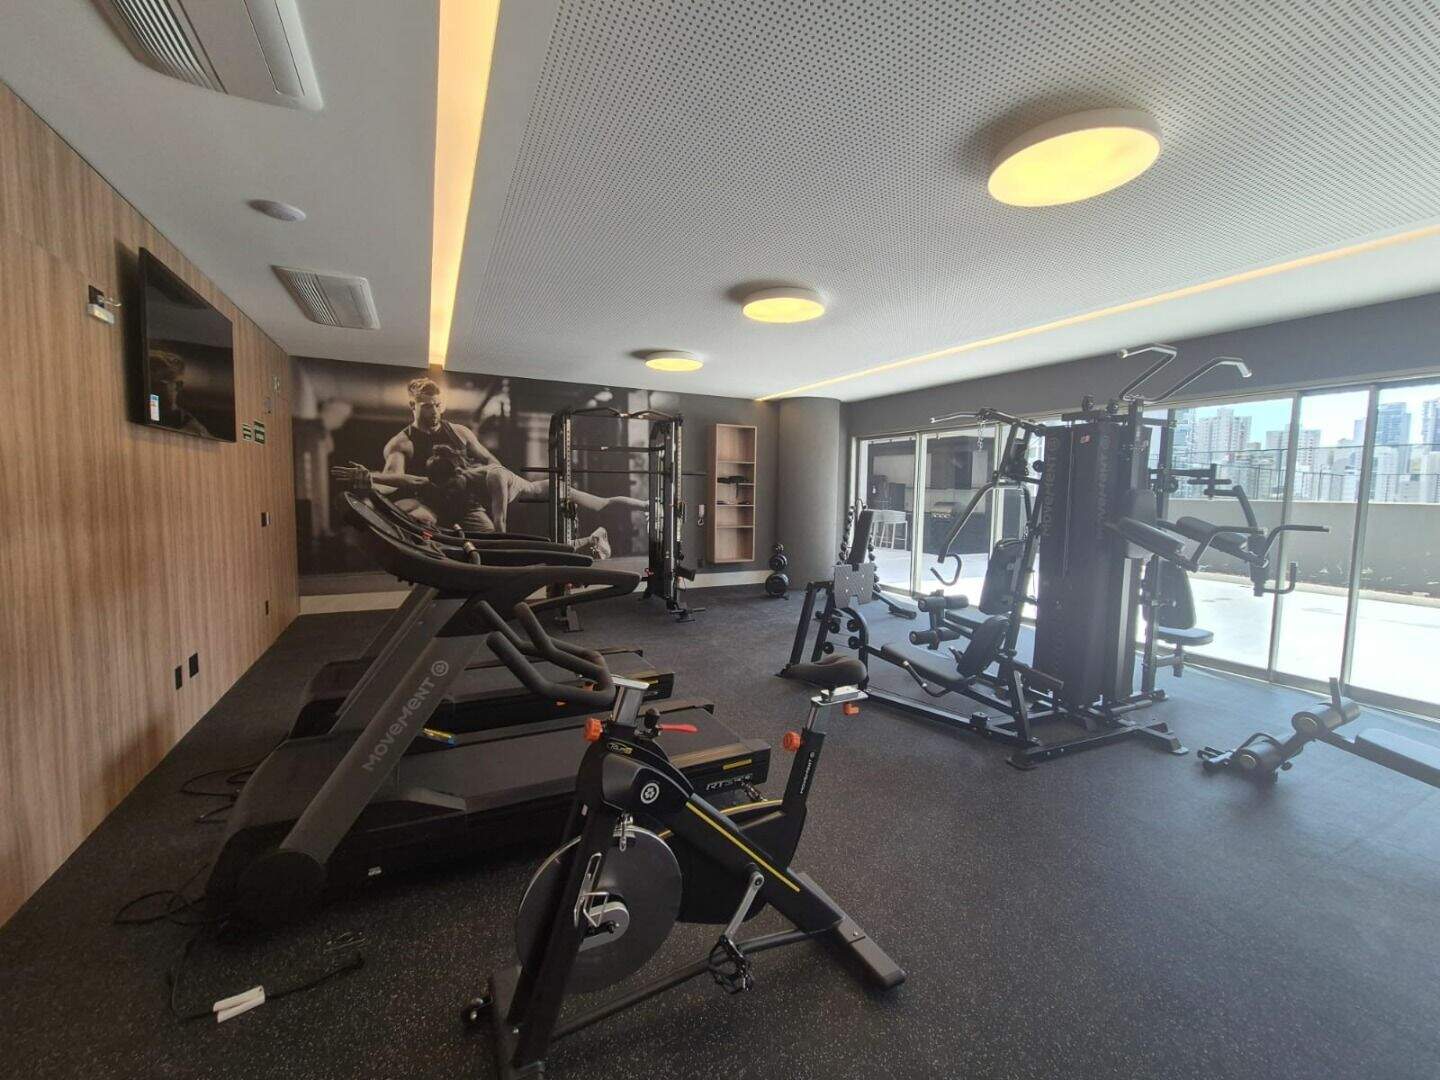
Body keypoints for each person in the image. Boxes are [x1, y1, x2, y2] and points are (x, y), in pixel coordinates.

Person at [371, 376, 647, 534]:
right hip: (436, 502)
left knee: (601, 505)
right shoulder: (402, 443)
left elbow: (494, 468)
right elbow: (394, 480)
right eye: (426, 406)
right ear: (412, 406)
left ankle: (635, 513)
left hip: (481, 502)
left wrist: (488, 495)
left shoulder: (464, 438)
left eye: (437, 405)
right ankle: (646, 506)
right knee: (414, 515)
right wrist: (369, 481)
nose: (434, 412)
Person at [332, 445, 620, 560]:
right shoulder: (431, 485)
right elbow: (402, 479)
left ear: (459, 474)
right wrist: (369, 477)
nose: (448, 489)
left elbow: (500, 520)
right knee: (509, 545)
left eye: (451, 485)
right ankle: (586, 543)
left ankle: (588, 542)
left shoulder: (483, 479)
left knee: (517, 546)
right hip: (474, 516)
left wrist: (504, 548)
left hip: (511, 504)